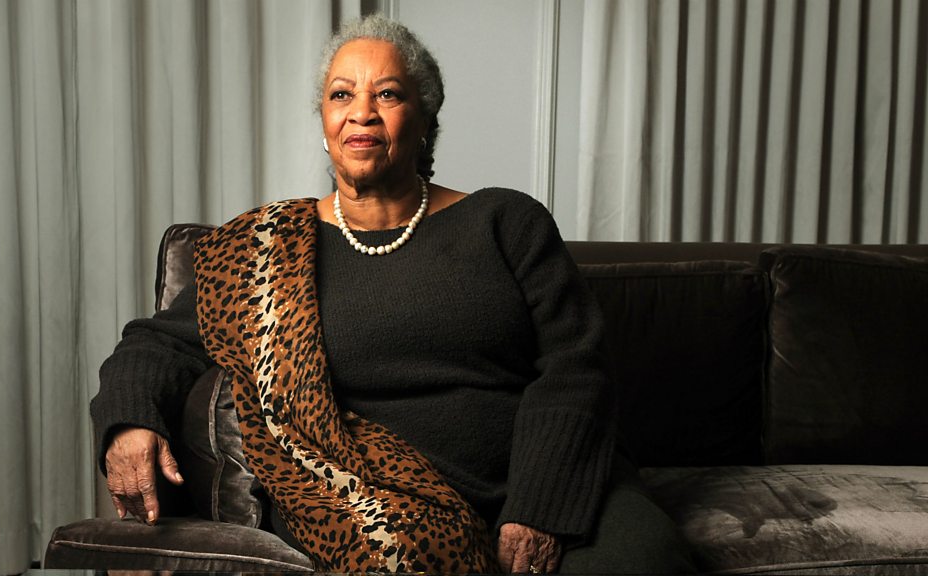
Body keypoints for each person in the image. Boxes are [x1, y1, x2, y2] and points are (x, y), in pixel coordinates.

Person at [91, 14, 696, 574]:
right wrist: (128, 423)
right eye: (341, 95)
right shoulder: (263, 249)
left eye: (387, 94)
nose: (362, 113)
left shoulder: (505, 221)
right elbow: (156, 343)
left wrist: (539, 509)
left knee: (643, 561)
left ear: (425, 119)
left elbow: (576, 364)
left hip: (545, 482)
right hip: (380, 506)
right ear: (324, 123)